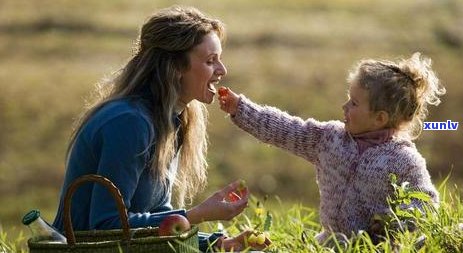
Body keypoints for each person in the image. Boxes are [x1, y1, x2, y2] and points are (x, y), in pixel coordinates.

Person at [52, 5, 269, 252]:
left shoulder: (171, 120)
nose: (222, 70)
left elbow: (154, 219)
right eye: (210, 61)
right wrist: (196, 214)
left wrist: (217, 244)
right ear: (175, 67)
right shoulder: (129, 124)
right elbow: (105, 227)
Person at [218, 52, 445, 245]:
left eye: (354, 103)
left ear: (380, 118)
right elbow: (286, 130)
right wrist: (241, 108)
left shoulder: (404, 159)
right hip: (329, 242)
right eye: (348, 98)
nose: (344, 106)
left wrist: (393, 226)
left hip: (375, 247)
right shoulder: (330, 138)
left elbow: (425, 203)